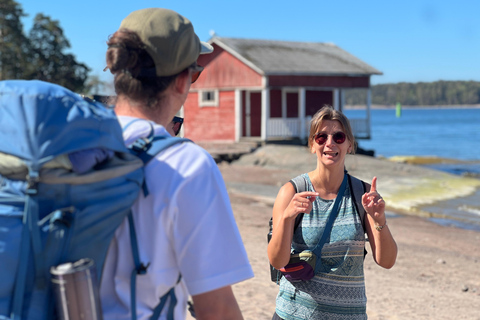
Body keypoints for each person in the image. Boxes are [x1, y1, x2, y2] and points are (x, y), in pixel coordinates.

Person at [100, 8, 254, 320]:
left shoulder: (76, 145)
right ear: (183, 81)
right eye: (195, 73)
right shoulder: (187, 165)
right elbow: (217, 308)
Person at [267, 106, 397, 320]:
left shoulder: (362, 194)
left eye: (338, 137)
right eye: (321, 137)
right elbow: (276, 260)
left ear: (349, 145)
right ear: (312, 145)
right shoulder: (291, 192)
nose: (330, 143)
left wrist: (379, 220)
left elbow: (387, 261)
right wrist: (287, 218)